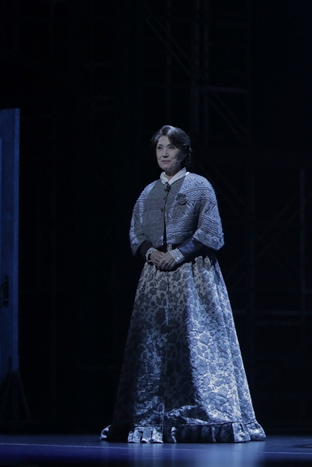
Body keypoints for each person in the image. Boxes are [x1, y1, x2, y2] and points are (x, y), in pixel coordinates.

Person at [101, 125, 265, 443]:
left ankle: (203, 416)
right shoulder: (148, 192)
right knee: (152, 347)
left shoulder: (200, 186)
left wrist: (178, 254)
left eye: (171, 148)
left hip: (193, 275)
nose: (164, 154)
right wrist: (151, 253)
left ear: (184, 152)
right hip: (155, 278)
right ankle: (150, 416)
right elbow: (136, 231)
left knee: (194, 341)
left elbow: (210, 231)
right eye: (159, 148)